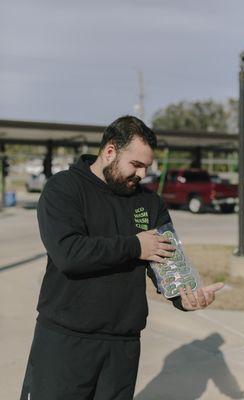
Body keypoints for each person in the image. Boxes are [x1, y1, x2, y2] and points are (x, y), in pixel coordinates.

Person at [20, 116, 224, 400]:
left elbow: (166, 263)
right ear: (110, 151)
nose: (142, 174)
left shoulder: (150, 203)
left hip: (123, 346)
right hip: (65, 341)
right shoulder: (63, 188)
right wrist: (134, 246)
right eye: (136, 165)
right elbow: (68, 253)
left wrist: (184, 297)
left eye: (147, 167)